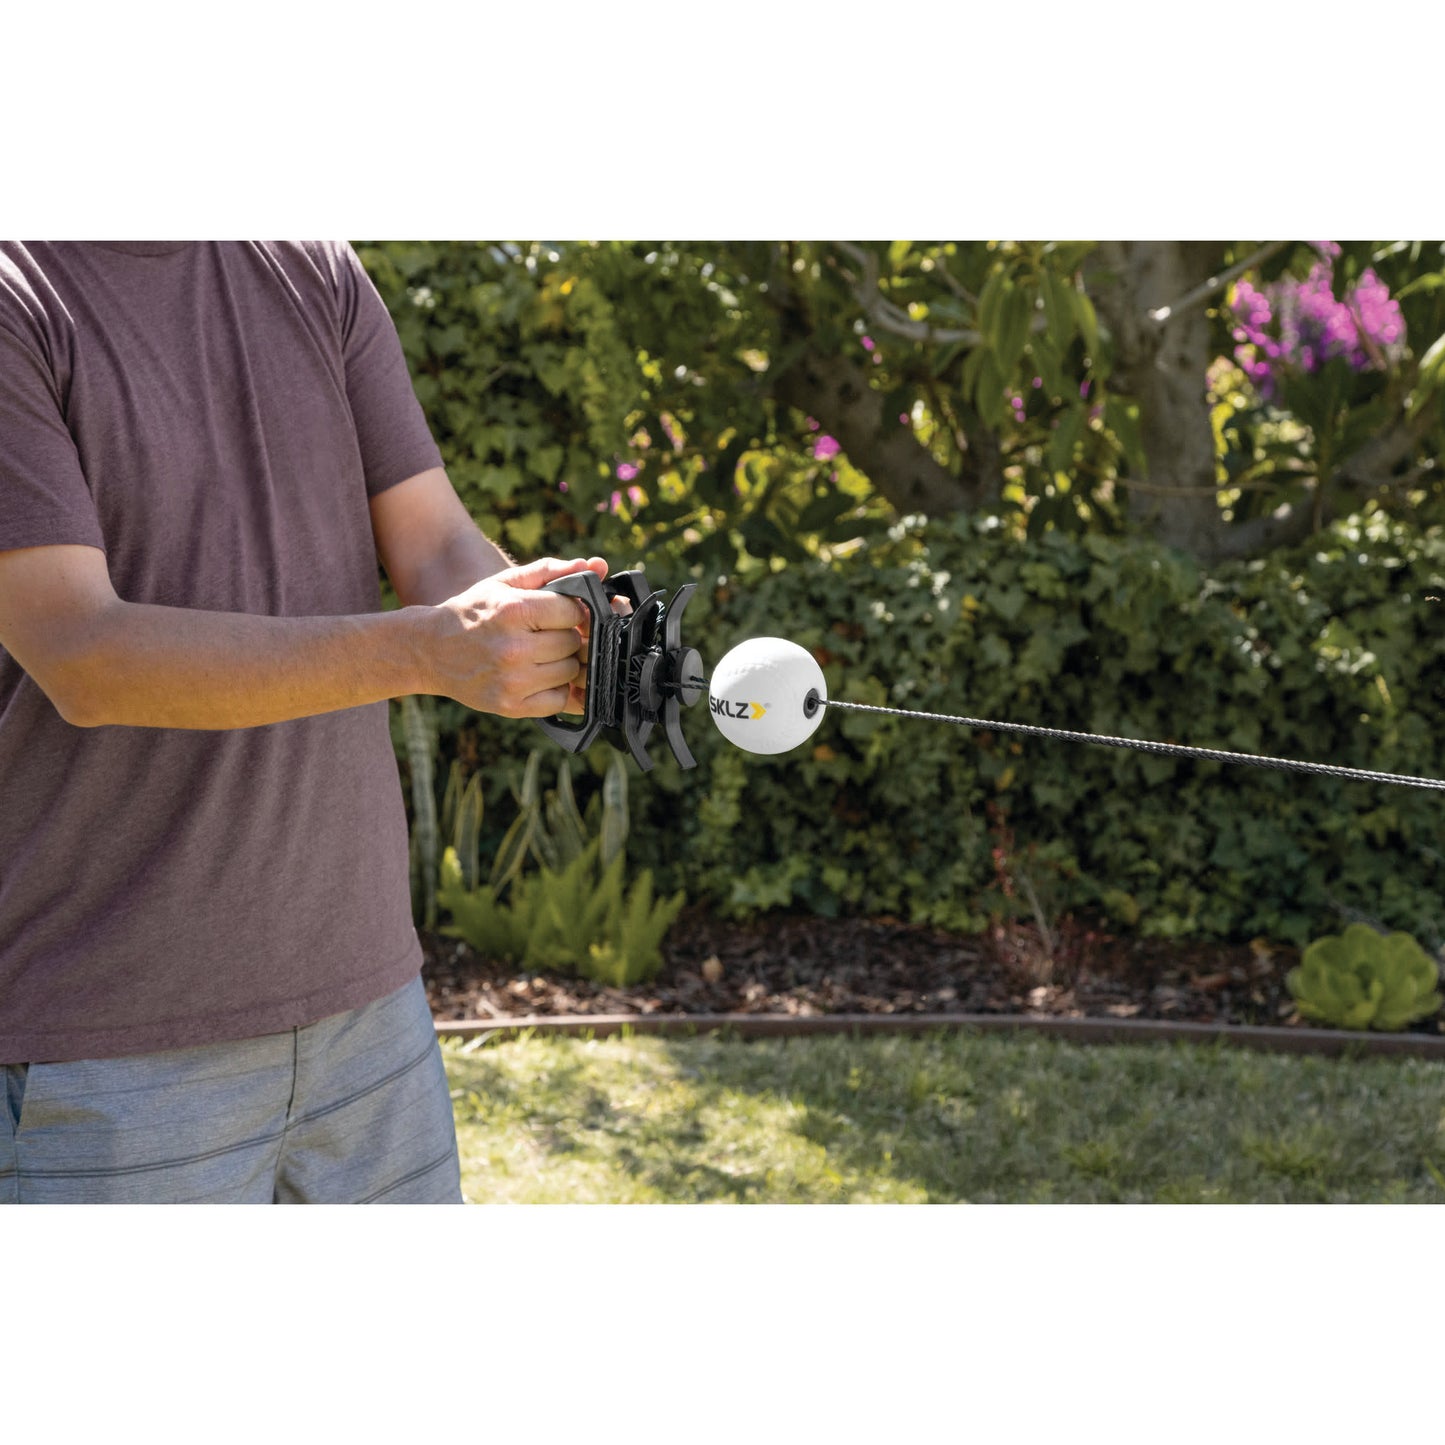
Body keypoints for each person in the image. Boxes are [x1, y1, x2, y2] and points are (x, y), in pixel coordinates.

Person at [0, 240, 607, 1203]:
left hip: (370, 1009)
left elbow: (437, 542)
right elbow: (85, 654)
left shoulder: (307, 263)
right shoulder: (17, 295)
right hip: (110, 1042)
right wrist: (427, 648)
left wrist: (547, 627)